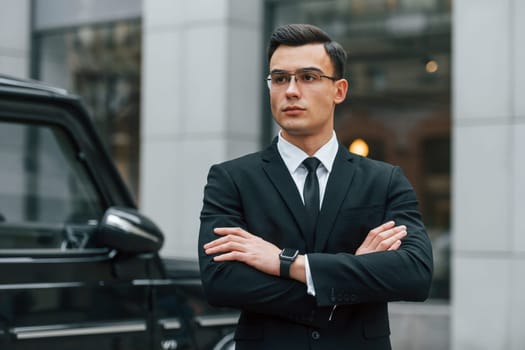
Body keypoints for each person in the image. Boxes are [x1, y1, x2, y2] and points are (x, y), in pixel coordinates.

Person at [198, 23, 433, 350]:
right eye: (280, 79)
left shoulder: (384, 180)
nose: (291, 91)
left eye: (308, 77)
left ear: (339, 90)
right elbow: (222, 283)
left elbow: (415, 275)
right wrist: (352, 276)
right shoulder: (231, 179)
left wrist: (287, 263)